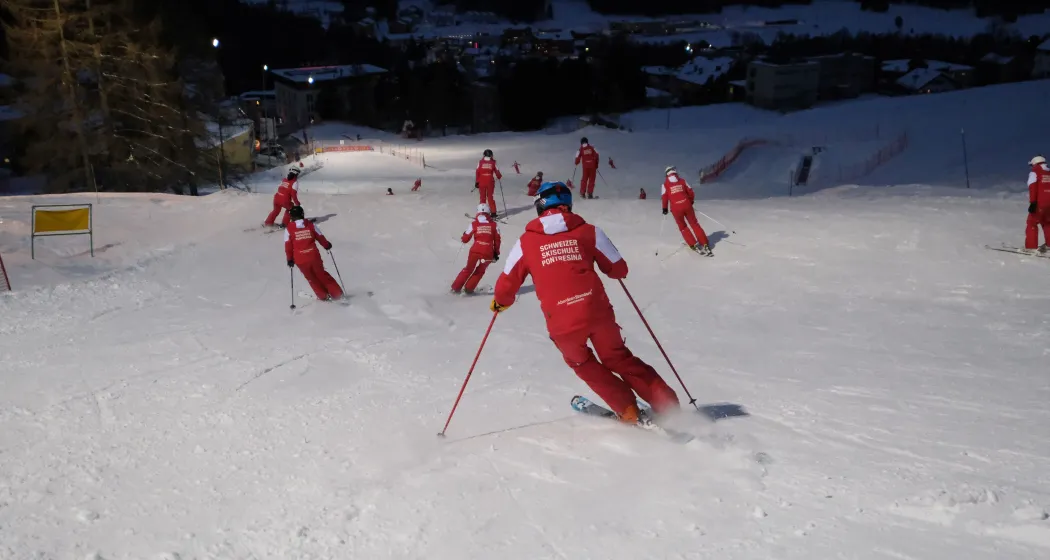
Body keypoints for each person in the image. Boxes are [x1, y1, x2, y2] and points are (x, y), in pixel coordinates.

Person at [490, 181, 680, 424]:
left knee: (581, 362)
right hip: (597, 312)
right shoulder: (589, 231)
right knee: (617, 357)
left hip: (562, 323)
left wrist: (500, 304)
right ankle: (668, 404)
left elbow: (506, 286)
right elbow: (619, 269)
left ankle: (628, 408)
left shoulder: (525, 242)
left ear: (539, 206)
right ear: (568, 204)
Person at [285, 206, 343, 301]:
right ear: (302, 214)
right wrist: (326, 245)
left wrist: (290, 259)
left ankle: (323, 296)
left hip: (300, 260)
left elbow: (288, 246)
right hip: (313, 256)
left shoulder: (289, 229)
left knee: (311, 278)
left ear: (291, 217)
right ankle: (337, 293)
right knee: (321, 274)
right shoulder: (311, 225)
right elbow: (320, 237)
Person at [451, 203, 501, 294]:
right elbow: (497, 240)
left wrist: (464, 235)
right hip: (488, 252)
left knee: (468, 269)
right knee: (480, 270)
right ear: (489, 212)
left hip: (475, 250)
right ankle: (469, 289)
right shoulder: (494, 225)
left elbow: (465, 239)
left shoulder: (474, 224)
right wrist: (496, 253)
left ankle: (455, 288)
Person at [661, 166, 712, 256]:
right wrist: (690, 201)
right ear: (675, 172)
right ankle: (704, 243)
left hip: (676, 209)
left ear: (666, 174)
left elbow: (664, 197)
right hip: (686, 205)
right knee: (694, 224)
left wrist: (664, 208)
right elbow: (691, 192)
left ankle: (693, 244)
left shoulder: (665, 185)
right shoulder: (682, 181)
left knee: (683, 227)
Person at [1025, 155, 1050, 252]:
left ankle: (1031, 247)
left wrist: (1033, 203)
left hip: (1040, 203)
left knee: (1032, 223)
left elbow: (1033, 188)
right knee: (1048, 223)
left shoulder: (1035, 172)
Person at [476, 149, 503, 218]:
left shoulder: (480, 162)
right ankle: (493, 213)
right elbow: (497, 171)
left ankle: (482, 212)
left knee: (482, 197)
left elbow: (477, 172)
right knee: (490, 197)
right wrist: (499, 176)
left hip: (482, 181)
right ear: (491, 155)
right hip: (490, 181)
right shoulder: (493, 162)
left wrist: (477, 182)